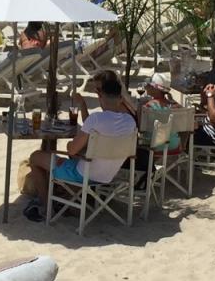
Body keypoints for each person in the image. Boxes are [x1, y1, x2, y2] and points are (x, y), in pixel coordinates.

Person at [20, 76, 138, 222]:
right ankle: (68, 202)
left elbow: (71, 150)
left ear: (100, 97)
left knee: (35, 157)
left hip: (85, 175)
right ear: (120, 99)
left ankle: (46, 205)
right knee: (75, 158)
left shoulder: (95, 119)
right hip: (109, 175)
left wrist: (69, 146)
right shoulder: (130, 122)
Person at [73, 70, 138, 122]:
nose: (96, 91)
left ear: (109, 88)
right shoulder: (120, 99)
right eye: (95, 88)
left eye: (98, 89)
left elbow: (88, 124)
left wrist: (82, 104)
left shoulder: (116, 105)